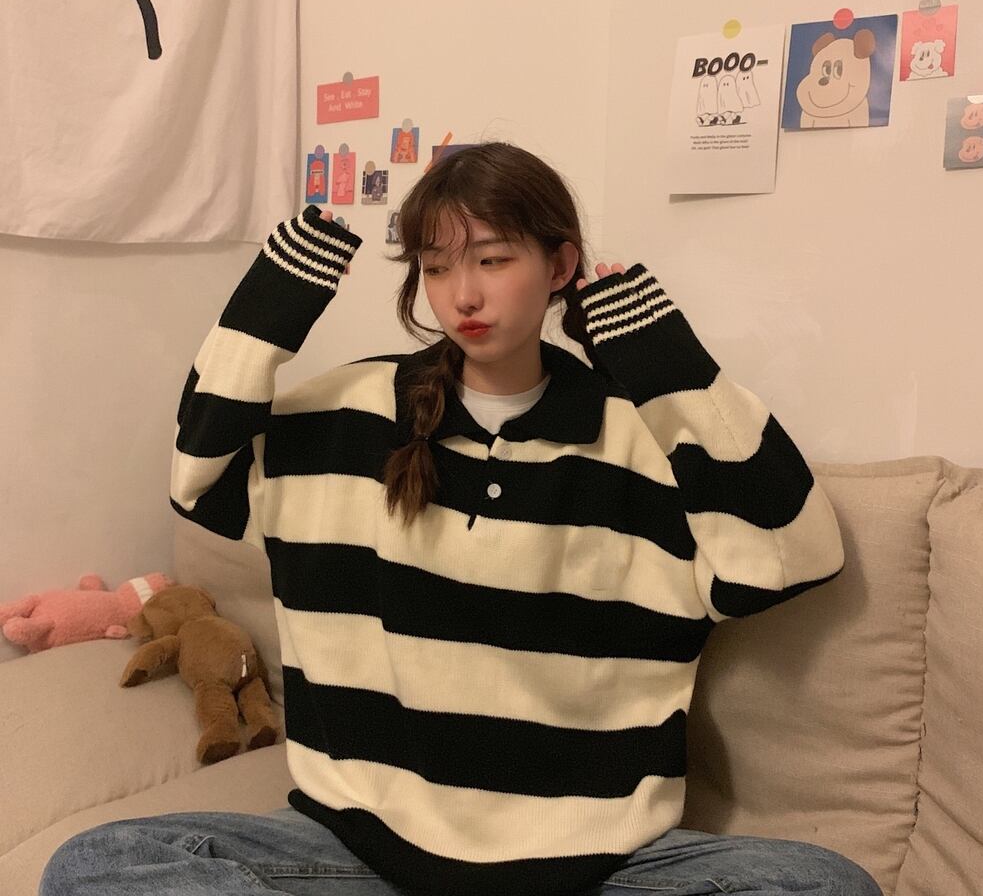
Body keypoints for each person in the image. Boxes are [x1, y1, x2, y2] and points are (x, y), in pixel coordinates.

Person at [40, 142, 882, 896]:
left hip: (593, 865)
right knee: (98, 864)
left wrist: (654, 350)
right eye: (437, 267)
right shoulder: (347, 417)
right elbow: (199, 477)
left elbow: (790, 556)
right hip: (361, 854)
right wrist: (276, 298)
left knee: (823, 884)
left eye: (494, 258)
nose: (464, 295)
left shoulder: (641, 441)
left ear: (560, 266)